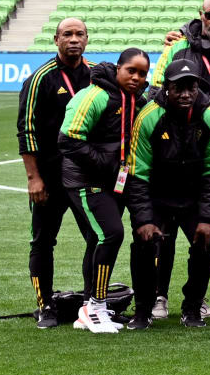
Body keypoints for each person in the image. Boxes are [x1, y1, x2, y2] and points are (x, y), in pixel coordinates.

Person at [123, 57, 210, 329]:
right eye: (177, 88)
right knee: (143, 243)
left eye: (190, 88)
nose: (184, 94)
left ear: (198, 88)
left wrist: (208, 218)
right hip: (157, 196)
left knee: (206, 242)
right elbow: (137, 173)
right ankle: (143, 310)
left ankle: (192, 308)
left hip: (194, 197)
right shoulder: (149, 116)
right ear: (165, 88)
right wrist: (144, 219)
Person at [58, 49, 150, 333]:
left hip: (113, 181)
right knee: (111, 234)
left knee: (97, 239)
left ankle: (89, 306)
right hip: (86, 180)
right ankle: (94, 308)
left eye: (142, 73)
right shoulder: (94, 94)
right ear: (118, 68)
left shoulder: (138, 100)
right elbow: (68, 138)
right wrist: (105, 165)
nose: (136, 77)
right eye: (131, 71)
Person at [17, 16, 91, 327]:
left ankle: (93, 303)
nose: (74, 39)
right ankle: (45, 305)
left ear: (87, 39)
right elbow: (27, 131)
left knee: (97, 236)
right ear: (56, 40)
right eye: (67, 34)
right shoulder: (39, 79)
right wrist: (34, 178)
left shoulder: (96, 74)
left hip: (85, 176)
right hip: (49, 176)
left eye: (80, 34)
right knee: (43, 241)